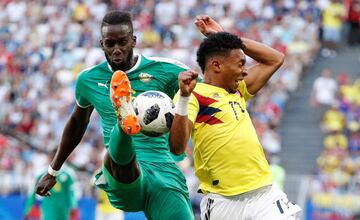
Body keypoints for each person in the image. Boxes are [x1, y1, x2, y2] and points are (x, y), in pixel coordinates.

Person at [35, 10, 193, 219]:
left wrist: (184, 95)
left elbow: (207, 95)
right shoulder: (89, 79)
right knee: (119, 155)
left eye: (122, 42)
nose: (116, 50)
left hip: (164, 171)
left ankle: (125, 116)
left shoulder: (167, 70)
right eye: (110, 44)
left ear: (133, 40)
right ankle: (124, 119)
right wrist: (53, 171)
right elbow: (76, 125)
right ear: (102, 44)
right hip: (122, 173)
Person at [170, 15, 302, 219]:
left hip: (263, 194)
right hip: (223, 201)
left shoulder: (239, 90)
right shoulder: (193, 94)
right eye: (240, 64)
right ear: (216, 65)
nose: (244, 71)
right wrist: (185, 98)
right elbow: (177, 147)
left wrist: (228, 38)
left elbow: (276, 59)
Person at [24, 152, 78, 220]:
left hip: (63, 210)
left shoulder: (68, 174)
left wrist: (73, 206)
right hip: (48, 210)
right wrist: (27, 210)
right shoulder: (42, 173)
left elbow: (71, 192)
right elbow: (33, 193)